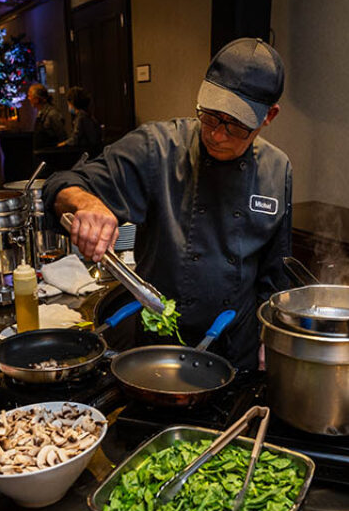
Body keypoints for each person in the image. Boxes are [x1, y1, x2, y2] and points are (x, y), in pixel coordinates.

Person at [43, 38, 292, 371]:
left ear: (268, 117)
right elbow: (60, 184)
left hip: (237, 347)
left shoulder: (278, 169)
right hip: (158, 350)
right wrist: (86, 202)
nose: (217, 134)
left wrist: (271, 336)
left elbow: (276, 271)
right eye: (211, 117)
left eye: (235, 125)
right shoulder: (157, 148)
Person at [59, 86, 102, 151]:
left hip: (85, 150)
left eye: (69, 103)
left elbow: (76, 138)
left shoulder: (81, 117)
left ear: (72, 103)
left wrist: (64, 143)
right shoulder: (86, 114)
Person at [27, 82, 67, 151]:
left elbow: (62, 136)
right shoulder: (41, 113)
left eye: (30, 96)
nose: (28, 98)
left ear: (37, 99)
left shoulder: (52, 114)